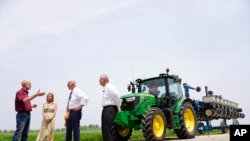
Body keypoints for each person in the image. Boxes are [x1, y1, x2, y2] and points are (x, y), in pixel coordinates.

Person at [99, 74, 121, 141]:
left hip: (110, 109)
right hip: (106, 109)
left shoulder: (109, 86)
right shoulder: (105, 87)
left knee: (109, 129)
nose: (99, 81)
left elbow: (116, 95)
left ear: (104, 80)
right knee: (105, 129)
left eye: (100, 79)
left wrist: (119, 107)